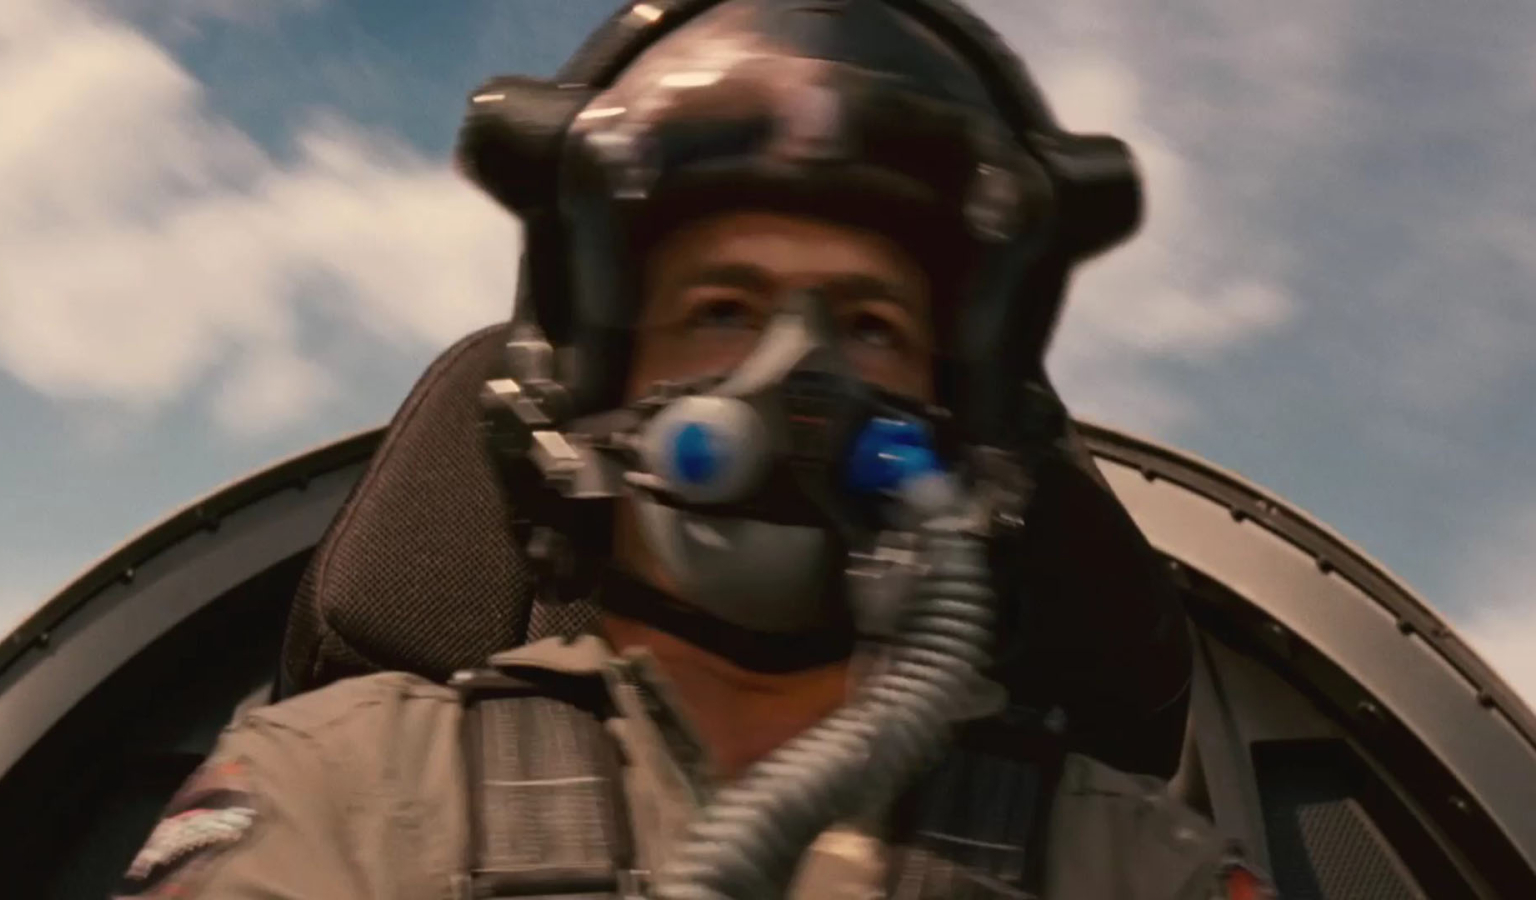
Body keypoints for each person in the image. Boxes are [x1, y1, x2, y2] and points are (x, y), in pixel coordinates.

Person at [117, 1, 1271, 897]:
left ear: (958, 415)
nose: (795, 375)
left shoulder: (1133, 863)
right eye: (722, 309)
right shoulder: (334, 788)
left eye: (871, 326)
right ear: (594, 383)